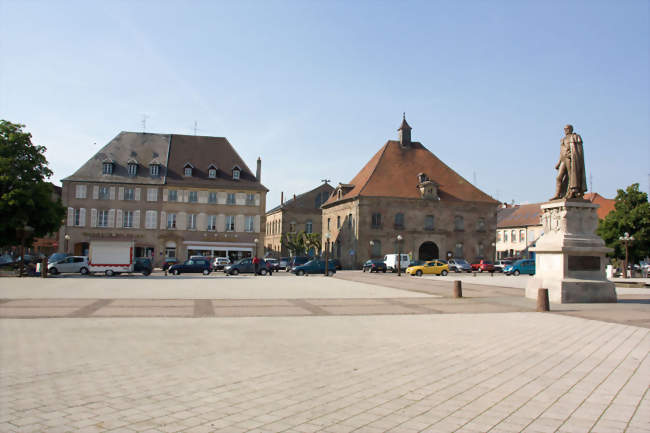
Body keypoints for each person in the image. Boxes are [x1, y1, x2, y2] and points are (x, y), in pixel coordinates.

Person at [552, 124, 587, 200]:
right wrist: (558, 163)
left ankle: (573, 191)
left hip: (571, 159)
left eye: (567, 129)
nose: (565, 130)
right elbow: (561, 152)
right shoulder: (563, 139)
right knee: (558, 177)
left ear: (571, 129)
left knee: (572, 176)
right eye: (564, 129)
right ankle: (557, 194)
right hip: (563, 160)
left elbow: (578, 150)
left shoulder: (575, 137)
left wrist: (573, 157)